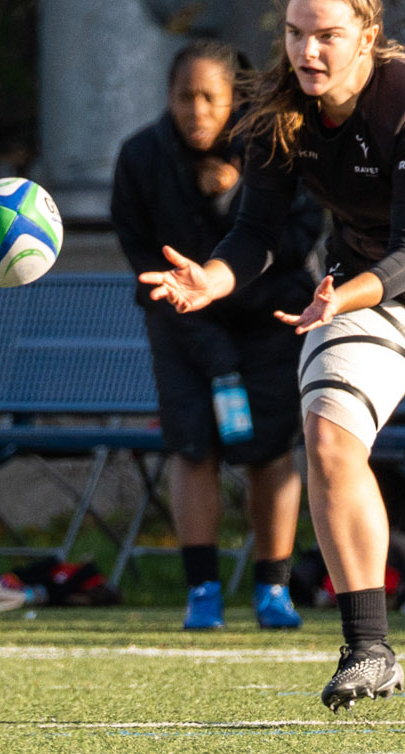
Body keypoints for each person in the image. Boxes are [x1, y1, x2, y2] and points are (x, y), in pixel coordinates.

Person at [142, 0, 405, 711]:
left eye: (326, 35)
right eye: (296, 33)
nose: (307, 50)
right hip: (361, 281)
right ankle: (368, 647)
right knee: (327, 438)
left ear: (368, 36)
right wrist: (213, 279)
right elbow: (255, 232)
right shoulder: (276, 108)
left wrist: (338, 298)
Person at [111, 39, 320, 632]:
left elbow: (301, 231)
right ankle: (202, 590)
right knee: (192, 449)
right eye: (185, 97)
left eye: (210, 97)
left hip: (267, 323)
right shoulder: (141, 156)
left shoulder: (273, 149)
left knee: (271, 453)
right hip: (182, 326)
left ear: (235, 99)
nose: (197, 110)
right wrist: (185, 303)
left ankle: (272, 589)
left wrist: (233, 211)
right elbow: (138, 249)